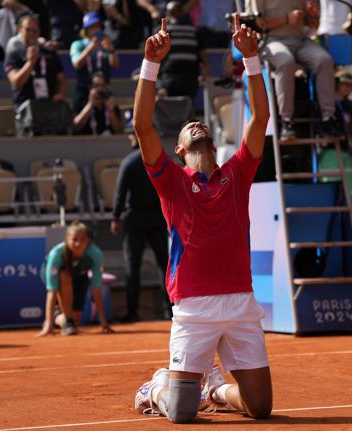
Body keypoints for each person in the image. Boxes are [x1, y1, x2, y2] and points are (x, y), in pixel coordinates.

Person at [132, 16, 272, 422]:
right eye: (187, 128)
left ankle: (216, 387)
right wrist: (150, 65)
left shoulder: (237, 172)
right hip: (193, 306)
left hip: (241, 302)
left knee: (260, 408)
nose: (196, 124)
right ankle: (156, 387)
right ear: (178, 149)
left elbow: (260, 118)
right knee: (181, 413)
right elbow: (142, 126)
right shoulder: (171, 181)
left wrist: (251, 58)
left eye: (201, 125)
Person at [247, 0, 341, 139]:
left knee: (325, 61)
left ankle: (328, 119)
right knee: (286, 62)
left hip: (301, 40)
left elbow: (313, 26)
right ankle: (287, 122)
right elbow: (255, 25)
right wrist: (286, 19)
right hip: (271, 40)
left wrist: (313, 15)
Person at [111, 131, 172, 322]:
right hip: (157, 218)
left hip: (135, 219)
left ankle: (132, 312)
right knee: (165, 265)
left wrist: (115, 217)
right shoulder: (160, 160)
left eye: (132, 135)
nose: (130, 138)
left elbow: (120, 192)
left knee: (133, 267)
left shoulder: (129, 162)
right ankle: (170, 310)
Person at [38, 221, 114, 336]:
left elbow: (96, 288)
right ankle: (65, 321)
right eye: (74, 239)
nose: (78, 243)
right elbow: (52, 291)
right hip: (56, 275)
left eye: (82, 240)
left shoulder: (95, 254)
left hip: (79, 275)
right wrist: (48, 323)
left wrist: (103, 322)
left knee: (76, 319)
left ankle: (63, 318)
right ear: (67, 239)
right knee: (64, 276)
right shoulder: (56, 254)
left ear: (88, 241)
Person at [5, 14, 66, 111]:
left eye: (34, 31)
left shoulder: (49, 53)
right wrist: (30, 62)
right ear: (20, 30)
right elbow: (16, 82)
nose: (31, 34)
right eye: (28, 30)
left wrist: (61, 94)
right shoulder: (14, 54)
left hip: (50, 107)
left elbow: (61, 79)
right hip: (26, 110)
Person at [70, 11, 119, 113]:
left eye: (98, 26)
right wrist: (90, 47)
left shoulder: (107, 44)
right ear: (86, 30)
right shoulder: (78, 44)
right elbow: (77, 64)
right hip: (84, 91)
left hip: (104, 91)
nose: (95, 30)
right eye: (92, 27)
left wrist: (112, 50)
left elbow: (115, 65)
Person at [156, 1, 203, 99]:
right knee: (185, 109)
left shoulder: (163, 32)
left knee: (170, 110)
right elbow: (202, 55)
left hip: (172, 79)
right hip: (187, 80)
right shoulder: (194, 30)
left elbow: (156, 56)